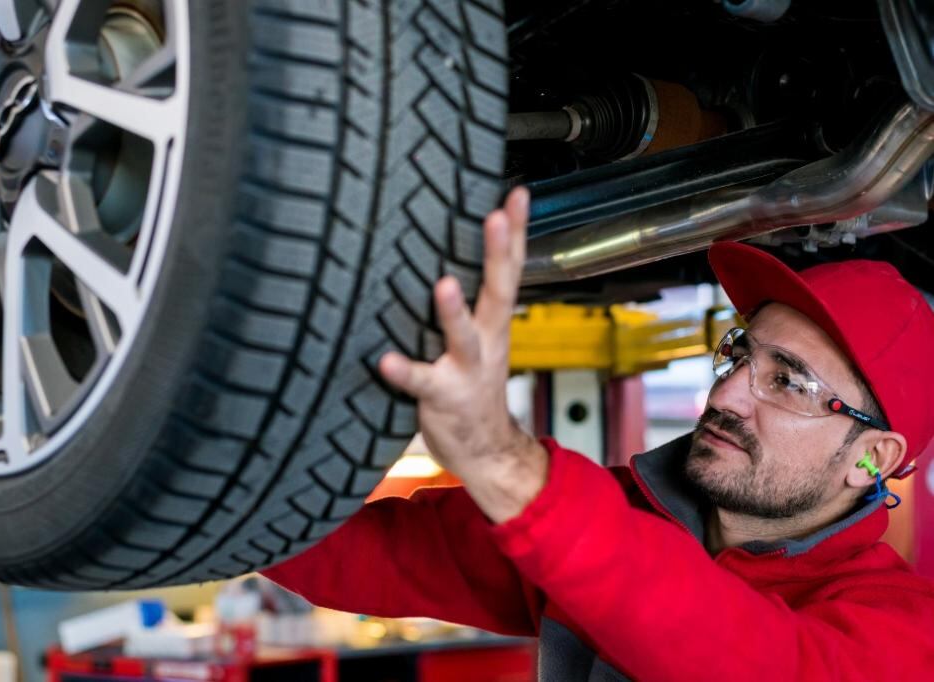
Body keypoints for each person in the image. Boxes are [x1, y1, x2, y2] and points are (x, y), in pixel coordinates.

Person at [264, 188, 934, 680]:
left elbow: (752, 659)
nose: (726, 394)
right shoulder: (624, 518)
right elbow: (361, 554)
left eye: (788, 381)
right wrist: (199, 490)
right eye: (738, 356)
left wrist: (505, 462)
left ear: (871, 459)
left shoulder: (905, 635)